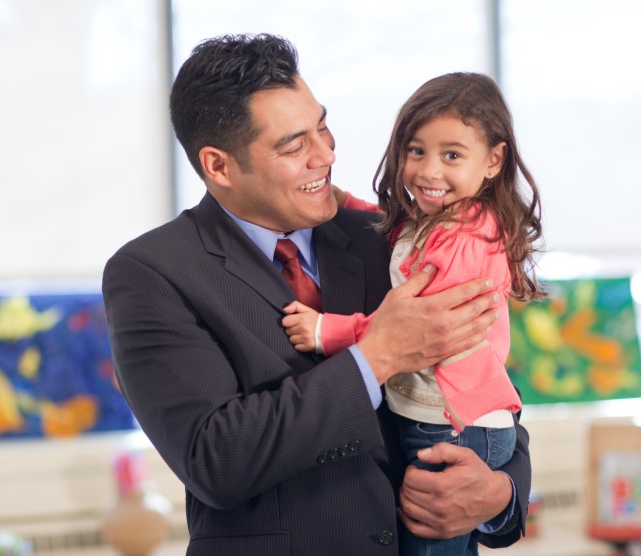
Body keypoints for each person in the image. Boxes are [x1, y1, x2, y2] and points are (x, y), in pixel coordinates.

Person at [102, 34, 531, 556]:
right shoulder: (152, 273)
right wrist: (376, 356)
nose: (326, 155)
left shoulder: (386, 238)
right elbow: (217, 459)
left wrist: (499, 493)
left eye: (323, 128)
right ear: (219, 166)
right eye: (294, 145)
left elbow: (480, 380)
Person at [281, 72, 545, 555]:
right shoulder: (445, 219)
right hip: (446, 415)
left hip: (450, 424)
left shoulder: (465, 241)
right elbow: (398, 231)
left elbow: (415, 330)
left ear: (493, 160)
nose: (428, 170)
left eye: (451, 155)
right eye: (415, 150)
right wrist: (345, 204)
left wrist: (327, 331)